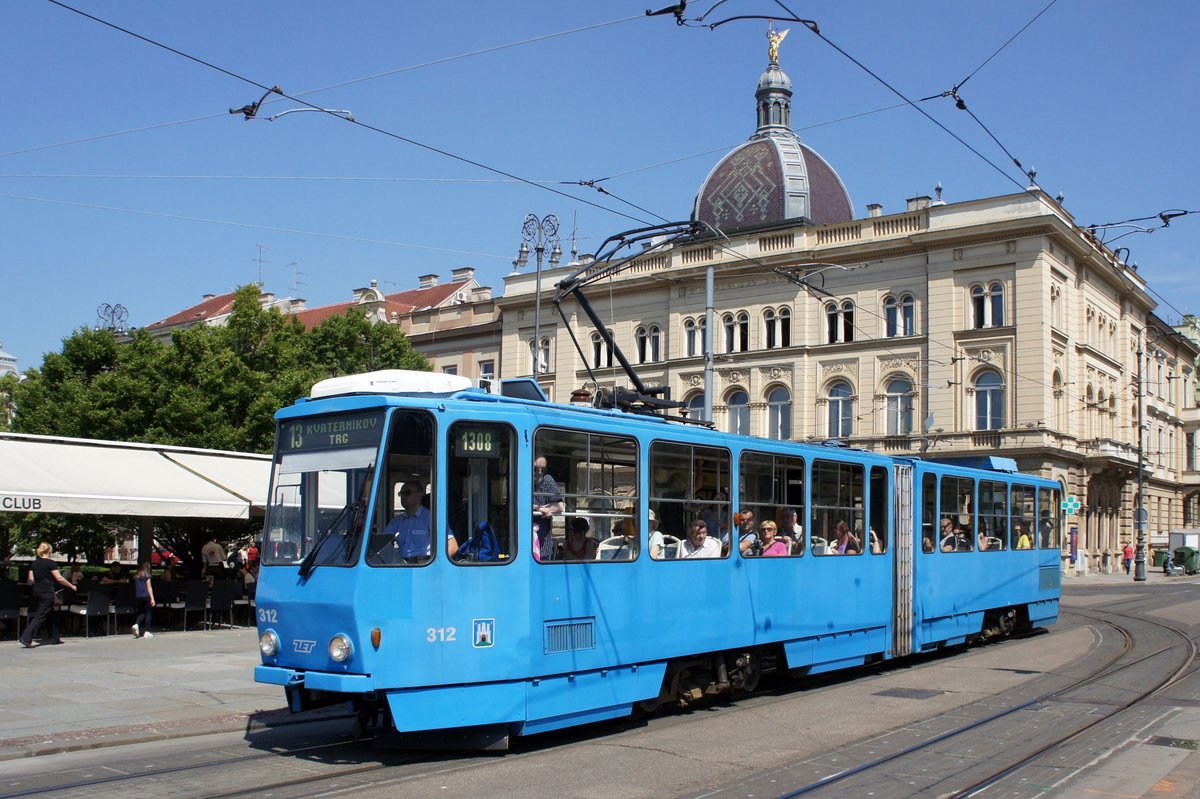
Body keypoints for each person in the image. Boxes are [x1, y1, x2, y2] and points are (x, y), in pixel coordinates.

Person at [20, 542, 76, 648]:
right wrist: (71, 586)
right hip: (47, 592)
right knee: (40, 616)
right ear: (49, 551)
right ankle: (26, 638)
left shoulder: (34, 563)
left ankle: (54, 638)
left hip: (36, 591)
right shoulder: (51, 563)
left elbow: (31, 579)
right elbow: (59, 578)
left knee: (50, 614)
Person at [383, 481, 455, 563]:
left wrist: (434, 565)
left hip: (424, 565)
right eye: (401, 493)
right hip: (402, 566)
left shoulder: (431, 518)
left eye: (407, 493)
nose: (403, 496)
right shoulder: (396, 522)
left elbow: (453, 546)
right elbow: (383, 545)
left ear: (419, 495)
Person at [532, 456, 564, 561]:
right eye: (535, 469)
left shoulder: (547, 479)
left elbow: (560, 506)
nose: (539, 472)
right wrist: (538, 508)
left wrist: (542, 508)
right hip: (520, 541)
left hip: (542, 542)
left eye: (543, 470)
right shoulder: (520, 478)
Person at [131, 561, 155, 638]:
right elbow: (149, 587)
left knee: (142, 613)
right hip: (146, 596)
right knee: (148, 613)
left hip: (138, 596)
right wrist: (152, 598)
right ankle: (147, 631)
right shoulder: (147, 575)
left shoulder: (137, 575)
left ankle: (136, 624)